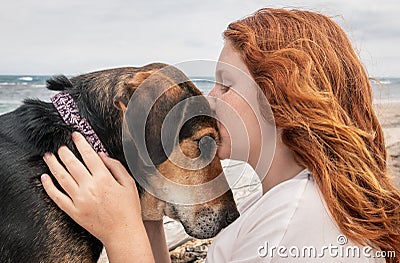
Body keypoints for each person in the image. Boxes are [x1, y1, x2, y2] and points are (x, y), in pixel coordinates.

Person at [41, 8, 400, 263]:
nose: (209, 101)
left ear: (281, 99)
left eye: (226, 85)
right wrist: (145, 218)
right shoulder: (296, 202)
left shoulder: (291, 220)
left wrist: (120, 234)